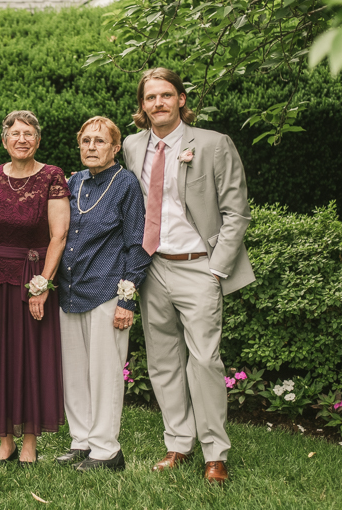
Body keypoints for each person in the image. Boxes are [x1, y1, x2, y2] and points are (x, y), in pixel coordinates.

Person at [122, 68, 255, 484]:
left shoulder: (214, 144)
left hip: (200, 265)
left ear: (181, 99)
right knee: (162, 362)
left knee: (204, 361)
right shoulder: (131, 145)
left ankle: (215, 452)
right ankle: (178, 443)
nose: (158, 103)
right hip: (153, 266)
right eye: (150, 98)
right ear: (142, 106)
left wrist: (217, 269)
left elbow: (237, 213)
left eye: (166, 95)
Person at [0, 110, 70, 466]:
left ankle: (29, 442)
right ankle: (5, 440)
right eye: (15, 133)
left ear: (37, 140)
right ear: (4, 140)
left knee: (30, 357)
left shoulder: (52, 176)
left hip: (32, 278)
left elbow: (59, 235)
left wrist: (42, 284)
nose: (22, 139)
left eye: (29, 134)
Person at [56, 116, 151, 472]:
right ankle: (82, 441)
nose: (91, 147)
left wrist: (127, 300)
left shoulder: (125, 183)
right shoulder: (72, 182)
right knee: (74, 372)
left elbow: (136, 245)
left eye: (100, 141)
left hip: (106, 290)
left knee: (105, 372)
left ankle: (107, 450)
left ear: (115, 147)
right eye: (86, 141)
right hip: (70, 290)